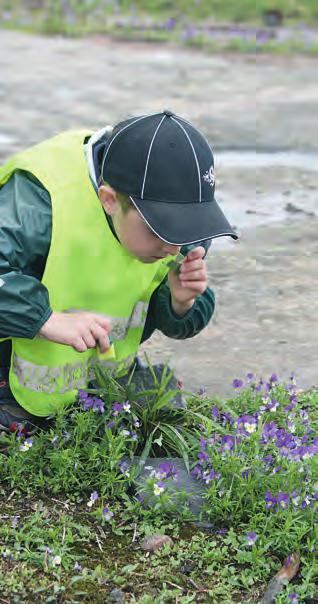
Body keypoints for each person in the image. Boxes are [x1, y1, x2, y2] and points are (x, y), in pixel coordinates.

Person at [0, 110, 237, 433]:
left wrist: (181, 303)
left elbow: (177, 319)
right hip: (12, 365)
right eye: (160, 229)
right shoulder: (40, 202)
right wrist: (46, 320)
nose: (174, 246)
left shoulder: (180, 228)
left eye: (187, 229)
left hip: (100, 372)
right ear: (109, 200)